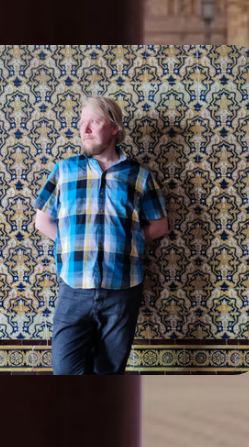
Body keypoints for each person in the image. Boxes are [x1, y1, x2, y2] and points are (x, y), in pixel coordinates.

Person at [32, 95, 169, 374]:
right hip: (73, 288)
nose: (84, 130)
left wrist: (125, 243)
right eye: (82, 123)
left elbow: (160, 225)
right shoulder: (64, 170)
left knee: (109, 374)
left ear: (114, 127)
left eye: (93, 122)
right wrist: (74, 244)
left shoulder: (139, 175)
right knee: (66, 373)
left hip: (123, 291)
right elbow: (43, 221)